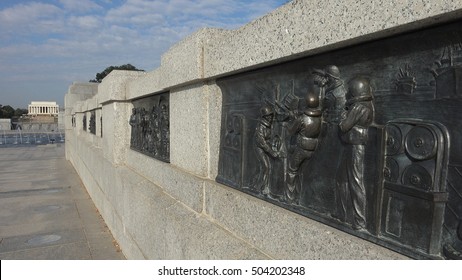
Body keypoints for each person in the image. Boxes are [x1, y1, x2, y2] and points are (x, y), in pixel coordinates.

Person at [336, 77, 375, 230]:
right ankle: (342, 214)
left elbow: (344, 126)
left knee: (356, 183)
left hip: (355, 148)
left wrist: (342, 116)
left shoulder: (359, 107)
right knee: (341, 180)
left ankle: (359, 221)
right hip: (350, 147)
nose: (347, 94)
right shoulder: (366, 105)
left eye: (349, 91)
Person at [285, 92, 322, 203]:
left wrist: (291, 120)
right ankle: (301, 198)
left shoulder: (302, 118)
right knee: (302, 173)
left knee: (292, 170)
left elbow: (291, 130)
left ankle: (290, 197)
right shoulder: (319, 118)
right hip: (312, 148)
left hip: (301, 148)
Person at [254, 104, 281, 195]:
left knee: (269, 167)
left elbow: (269, 138)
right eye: (268, 116)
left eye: (271, 115)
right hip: (260, 148)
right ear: (264, 117)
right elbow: (262, 143)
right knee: (266, 167)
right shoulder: (260, 127)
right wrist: (272, 152)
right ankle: (260, 187)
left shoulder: (269, 125)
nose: (270, 117)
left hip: (266, 147)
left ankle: (262, 186)